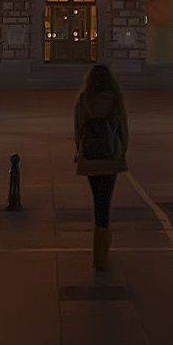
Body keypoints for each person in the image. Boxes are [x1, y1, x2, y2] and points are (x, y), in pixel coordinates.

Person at [73, 64, 129, 272]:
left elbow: (78, 129)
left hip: (91, 157)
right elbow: (123, 129)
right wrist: (121, 151)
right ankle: (102, 252)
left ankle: (98, 254)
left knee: (97, 199)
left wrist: (81, 150)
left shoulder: (84, 100)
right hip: (110, 158)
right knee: (106, 202)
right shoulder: (115, 100)